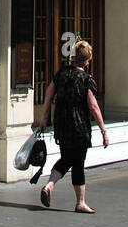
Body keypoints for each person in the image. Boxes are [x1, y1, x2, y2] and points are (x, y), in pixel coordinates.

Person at [36, 40, 108, 213]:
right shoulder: (85, 79)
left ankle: (50, 186)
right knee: (77, 162)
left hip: (61, 123)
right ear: (88, 59)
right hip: (79, 124)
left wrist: (44, 118)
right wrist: (103, 130)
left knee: (67, 158)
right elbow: (93, 106)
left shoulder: (61, 73)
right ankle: (79, 202)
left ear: (74, 57)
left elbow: (48, 94)